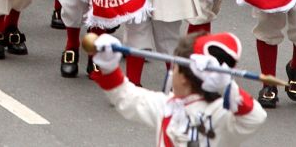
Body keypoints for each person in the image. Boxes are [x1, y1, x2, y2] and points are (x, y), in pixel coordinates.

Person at [88, 31, 268, 142]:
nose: (171, 73)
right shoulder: (167, 105)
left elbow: (255, 117)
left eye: (174, 68)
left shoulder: (221, 114)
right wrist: (109, 66)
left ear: (183, 78)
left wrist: (228, 86)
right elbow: (126, 98)